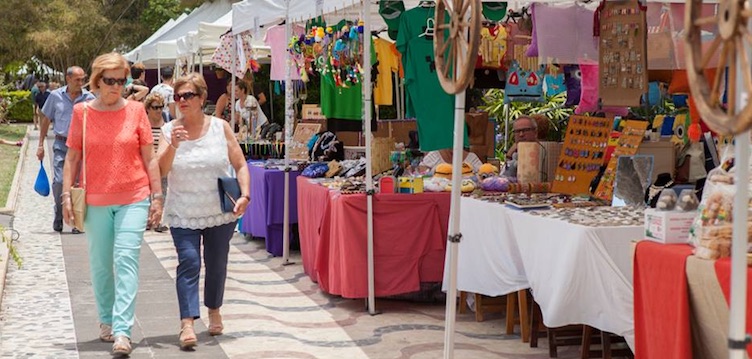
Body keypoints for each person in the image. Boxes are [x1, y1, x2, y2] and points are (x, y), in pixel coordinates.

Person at [61, 52, 162, 356]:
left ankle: (122, 330)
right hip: (95, 200)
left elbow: (149, 158)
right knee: (101, 265)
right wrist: (66, 195)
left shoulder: (136, 112)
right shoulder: (83, 113)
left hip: (134, 196)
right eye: (110, 80)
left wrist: (157, 196)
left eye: (122, 80)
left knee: (126, 260)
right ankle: (106, 318)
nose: (116, 86)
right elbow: (73, 157)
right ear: (96, 80)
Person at [157, 73, 250, 350]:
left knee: (216, 263)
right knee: (189, 262)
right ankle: (187, 321)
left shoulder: (220, 127)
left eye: (188, 95)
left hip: (218, 211)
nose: (181, 101)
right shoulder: (168, 130)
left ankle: (214, 309)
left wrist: (244, 194)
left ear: (202, 98)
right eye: (177, 97)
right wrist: (173, 144)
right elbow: (160, 171)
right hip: (183, 210)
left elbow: (240, 164)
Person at [38, 66, 96, 233]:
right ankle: (59, 209)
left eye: (83, 79)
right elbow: (46, 120)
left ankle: (77, 220)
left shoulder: (89, 98)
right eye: (77, 79)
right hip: (61, 145)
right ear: (68, 79)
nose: (81, 83)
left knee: (78, 184)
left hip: (81, 147)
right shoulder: (55, 96)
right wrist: (41, 144)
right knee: (59, 182)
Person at [144, 92, 169, 232]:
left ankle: (158, 220)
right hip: (146, 164)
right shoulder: (143, 125)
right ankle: (148, 219)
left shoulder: (166, 126)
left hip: (161, 164)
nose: (159, 110)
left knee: (162, 192)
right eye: (155, 107)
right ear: (148, 108)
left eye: (161, 107)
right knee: (147, 192)